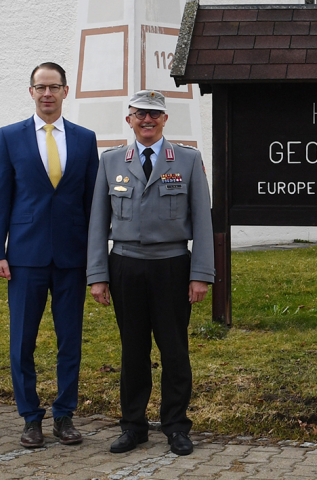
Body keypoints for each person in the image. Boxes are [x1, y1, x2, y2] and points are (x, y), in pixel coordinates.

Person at [88, 90, 214, 457]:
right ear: (129, 119)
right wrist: (97, 274)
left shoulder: (187, 160)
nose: (147, 120)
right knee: (133, 351)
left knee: (174, 350)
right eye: (140, 114)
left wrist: (201, 273)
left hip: (172, 266)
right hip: (125, 264)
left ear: (164, 120)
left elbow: (203, 222)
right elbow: (98, 222)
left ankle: (176, 426)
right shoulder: (111, 161)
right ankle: (133, 426)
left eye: (154, 115)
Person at [0, 62, 99, 448]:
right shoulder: (10, 137)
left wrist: (96, 256)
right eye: (41, 87)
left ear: (66, 91)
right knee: (22, 342)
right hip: (24, 256)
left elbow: (93, 203)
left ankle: (65, 416)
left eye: (54, 87)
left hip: (72, 257)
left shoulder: (85, 140)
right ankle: (30, 418)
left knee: (70, 340)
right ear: (31, 92)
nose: (47, 94)